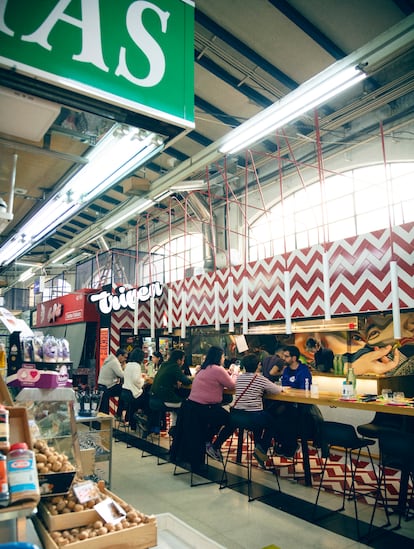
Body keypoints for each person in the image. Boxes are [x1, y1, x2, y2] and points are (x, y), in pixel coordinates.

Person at [230, 354, 282, 468]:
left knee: (261, 421)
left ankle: (259, 450)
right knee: (273, 423)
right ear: (258, 365)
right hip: (253, 417)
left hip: (237, 416)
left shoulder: (239, 378)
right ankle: (261, 448)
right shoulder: (260, 379)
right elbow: (277, 390)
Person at [187, 346, 236, 461]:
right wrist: (232, 375)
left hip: (192, 407)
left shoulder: (203, 368)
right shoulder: (218, 369)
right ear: (219, 357)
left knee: (219, 415)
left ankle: (206, 441)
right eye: (223, 356)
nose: (224, 359)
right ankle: (215, 446)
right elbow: (232, 385)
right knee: (232, 421)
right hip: (206, 408)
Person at [149, 349, 192, 431]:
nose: (183, 362)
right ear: (179, 360)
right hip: (163, 400)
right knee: (185, 405)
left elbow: (167, 377)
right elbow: (187, 381)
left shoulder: (164, 365)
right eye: (183, 360)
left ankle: (174, 428)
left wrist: (176, 380)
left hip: (153, 398)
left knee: (178, 406)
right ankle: (179, 431)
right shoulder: (174, 367)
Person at [119, 347, 148, 431]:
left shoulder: (128, 365)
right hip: (133, 393)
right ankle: (142, 419)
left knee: (134, 404)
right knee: (147, 399)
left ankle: (133, 424)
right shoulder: (137, 365)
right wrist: (143, 380)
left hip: (125, 392)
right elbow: (136, 380)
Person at [97, 348, 128, 414]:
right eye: (125, 357)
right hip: (107, 387)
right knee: (125, 390)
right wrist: (125, 368)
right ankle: (119, 413)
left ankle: (119, 413)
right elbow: (122, 375)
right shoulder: (115, 362)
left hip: (103, 386)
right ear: (120, 355)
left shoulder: (110, 360)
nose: (125, 359)